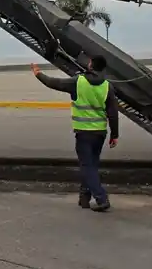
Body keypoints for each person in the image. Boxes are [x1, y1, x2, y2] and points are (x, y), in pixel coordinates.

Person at [30, 55, 119, 212]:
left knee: (87, 166)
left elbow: (54, 83)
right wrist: (114, 134)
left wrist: (38, 74)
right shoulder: (107, 86)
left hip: (84, 133)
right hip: (100, 133)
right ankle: (84, 199)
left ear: (91, 65)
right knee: (91, 165)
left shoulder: (79, 81)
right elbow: (113, 113)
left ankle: (101, 198)